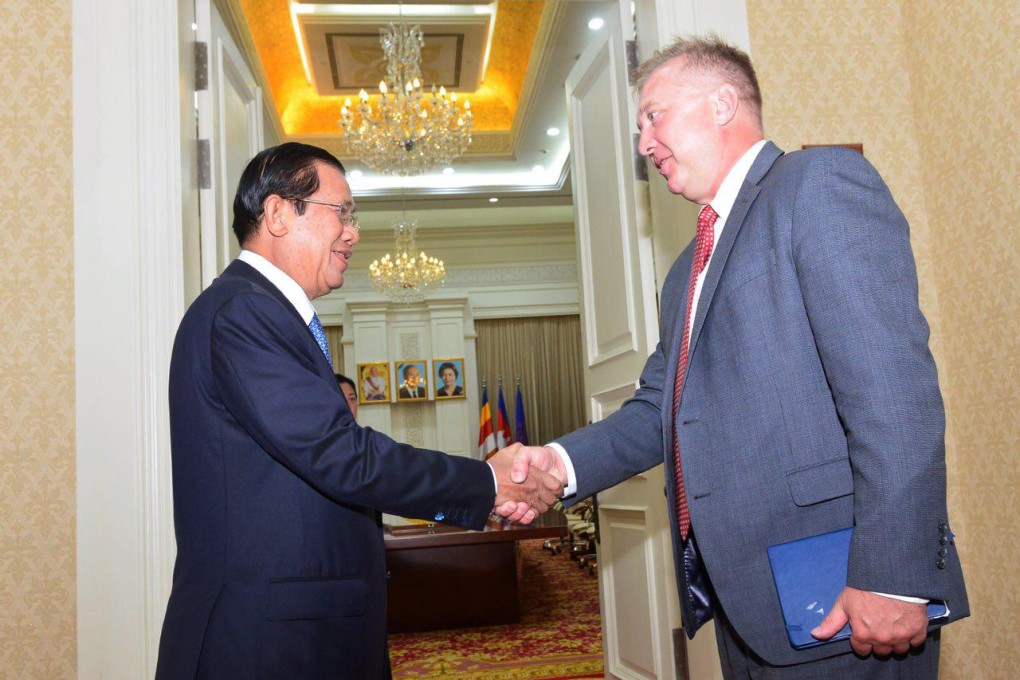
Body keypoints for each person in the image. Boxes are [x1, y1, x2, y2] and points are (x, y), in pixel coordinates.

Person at [510, 35, 968, 678]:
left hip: (847, 597)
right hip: (746, 607)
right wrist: (557, 465)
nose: (644, 143)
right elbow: (660, 408)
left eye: (653, 117)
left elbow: (894, 393)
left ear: (723, 104)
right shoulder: (683, 273)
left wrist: (894, 577)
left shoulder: (815, 185)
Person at [155, 142, 562, 680]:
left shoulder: (263, 312)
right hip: (264, 644)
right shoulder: (243, 311)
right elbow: (340, 454)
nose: (354, 233)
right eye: (342, 213)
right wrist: (487, 482)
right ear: (278, 213)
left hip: (296, 632)